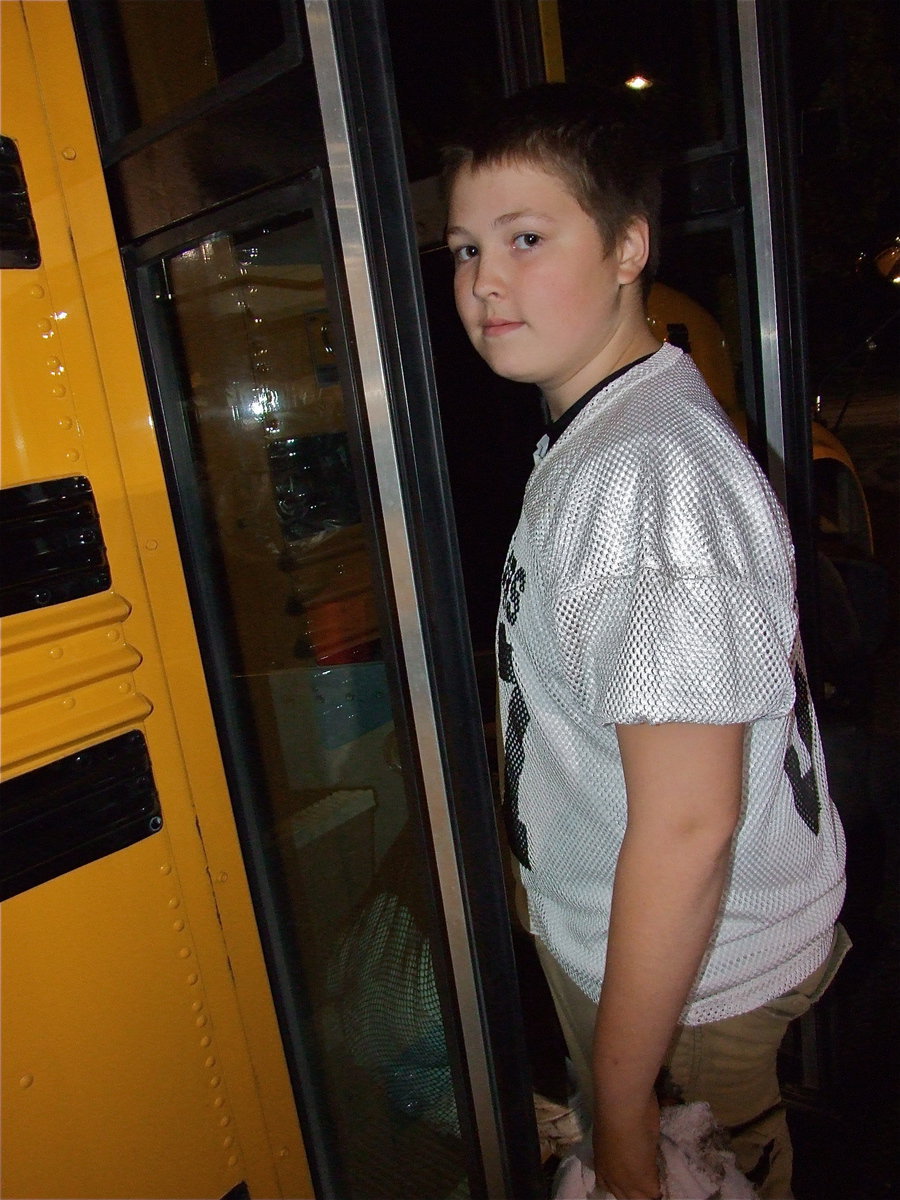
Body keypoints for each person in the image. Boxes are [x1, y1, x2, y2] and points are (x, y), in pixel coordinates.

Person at [442, 85, 848, 1200]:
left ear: (629, 248)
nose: (484, 281)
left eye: (528, 239)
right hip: (666, 948)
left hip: (694, 977)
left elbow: (687, 823)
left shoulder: (642, 482)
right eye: (467, 247)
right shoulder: (615, 428)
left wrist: (621, 1113)